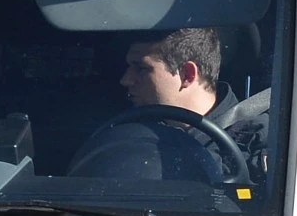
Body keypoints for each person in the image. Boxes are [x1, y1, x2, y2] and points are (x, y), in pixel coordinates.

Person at [72, 26, 269, 178]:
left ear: (187, 74)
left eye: (141, 68)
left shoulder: (263, 139)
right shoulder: (127, 132)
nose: (125, 80)